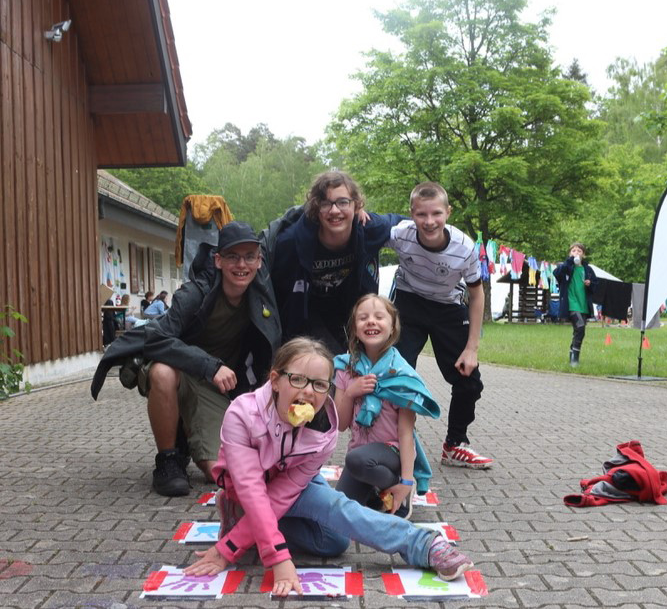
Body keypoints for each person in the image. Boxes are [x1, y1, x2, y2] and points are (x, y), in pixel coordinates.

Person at [182, 337, 474, 596]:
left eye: (320, 385)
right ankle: (424, 545)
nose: (309, 391)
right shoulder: (242, 414)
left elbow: (280, 496)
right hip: (248, 489)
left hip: (288, 485)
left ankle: (241, 519)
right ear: (275, 380)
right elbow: (252, 489)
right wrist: (275, 557)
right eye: (298, 380)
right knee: (338, 508)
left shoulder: (324, 432)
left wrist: (234, 541)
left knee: (333, 543)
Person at [90, 221, 280, 497]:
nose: (242, 264)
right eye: (232, 256)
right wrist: (210, 365)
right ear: (218, 260)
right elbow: (156, 338)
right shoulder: (195, 292)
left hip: (214, 387)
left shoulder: (262, 295)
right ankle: (168, 461)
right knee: (162, 372)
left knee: (220, 473)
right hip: (182, 372)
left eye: (249, 256)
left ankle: (185, 436)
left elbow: (281, 228)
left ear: (259, 261)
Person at [385, 181, 492, 469]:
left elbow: (477, 293)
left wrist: (472, 348)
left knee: (468, 379)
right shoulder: (400, 234)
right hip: (409, 302)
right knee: (395, 373)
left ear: (448, 212)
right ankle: (393, 441)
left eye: (436, 214)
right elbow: (366, 233)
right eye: (421, 214)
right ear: (411, 213)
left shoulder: (464, 247)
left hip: (447, 307)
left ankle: (455, 445)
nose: (429, 221)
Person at [263, 171, 404, 354]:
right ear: (316, 208)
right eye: (325, 204)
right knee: (330, 358)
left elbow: (413, 225)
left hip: (348, 308)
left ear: (356, 205)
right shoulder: (292, 242)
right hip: (308, 310)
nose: (335, 211)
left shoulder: (368, 228)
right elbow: (273, 286)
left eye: (343, 202)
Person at [333, 294, 440, 519]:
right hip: (360, 454)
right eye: (363, 318)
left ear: (392, 328)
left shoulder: (402, 376)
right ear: (354, 329)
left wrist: (407, 480)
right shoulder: (345, 367)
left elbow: (406, 433)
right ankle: (375, 494)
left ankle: (398, 488)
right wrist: (351, 392)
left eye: (379, 317)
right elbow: (340, 424)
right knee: (338, 515)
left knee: (357, 460)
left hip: (392, 453)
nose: (371, 321)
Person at [554, 243, 597, 368]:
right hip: (571, 303)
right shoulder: (566, 267)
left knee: (579, 331)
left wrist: (590, 283)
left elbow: (596, 285)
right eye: (573, 250)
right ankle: (574, 360)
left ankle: (572, 356)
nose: (576, 253)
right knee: (580, 327)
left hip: (583, 304)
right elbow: (557, 273)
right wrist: (570, 261)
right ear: (570, 253)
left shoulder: (588, 269)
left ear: (584, 254)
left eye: (579, 251)